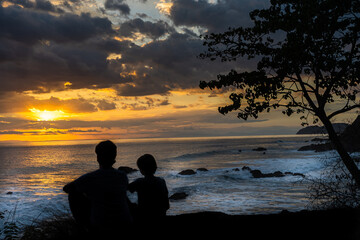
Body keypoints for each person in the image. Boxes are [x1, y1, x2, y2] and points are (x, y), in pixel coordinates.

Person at [63, 140, 132, 236]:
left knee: (73, 194)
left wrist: (87, 194)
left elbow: (67, 188)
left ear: (98, 158)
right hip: (124, 222)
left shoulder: (91, 177)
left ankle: (83, 226)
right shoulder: (122, 176)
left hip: (101, 224)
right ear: (114, 157)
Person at [128, 154, 169, 223]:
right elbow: (166, 205)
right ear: (155, 167)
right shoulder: (161, 181)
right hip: (160, 216)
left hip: (144, 217)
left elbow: (123, 189)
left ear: (141, 170)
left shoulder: (139, 182)